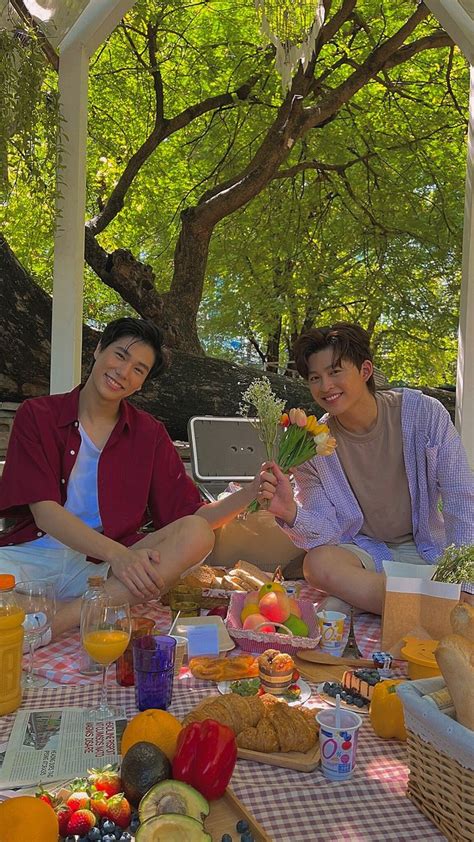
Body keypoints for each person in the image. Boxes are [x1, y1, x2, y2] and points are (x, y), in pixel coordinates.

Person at [0, 317, 262, 636]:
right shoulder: (37, 415)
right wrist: (119, 555)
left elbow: (193, 516)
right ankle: (84, 606)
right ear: (98, 350)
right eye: (120, 355)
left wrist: (254, 490)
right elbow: (45, 514)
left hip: (102, 569)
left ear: (141, 383)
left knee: (198, 533)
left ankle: (55, 622)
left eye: (139, 369)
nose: (123, 372)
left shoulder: (149, 433)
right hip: (37, 554)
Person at [256, 322, 474, 614]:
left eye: (335, 372)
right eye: (315, 377)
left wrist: (466, 582)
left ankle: (377, 601)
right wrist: (289, 512)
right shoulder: (312, 447)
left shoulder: (425, 414)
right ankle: (429, 608)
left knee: (335, 605)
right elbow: (328, 532)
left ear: (365, 371)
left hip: (425, 550)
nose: (325, 387)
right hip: (364, 554)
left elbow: (461, 497)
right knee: (317, 564)